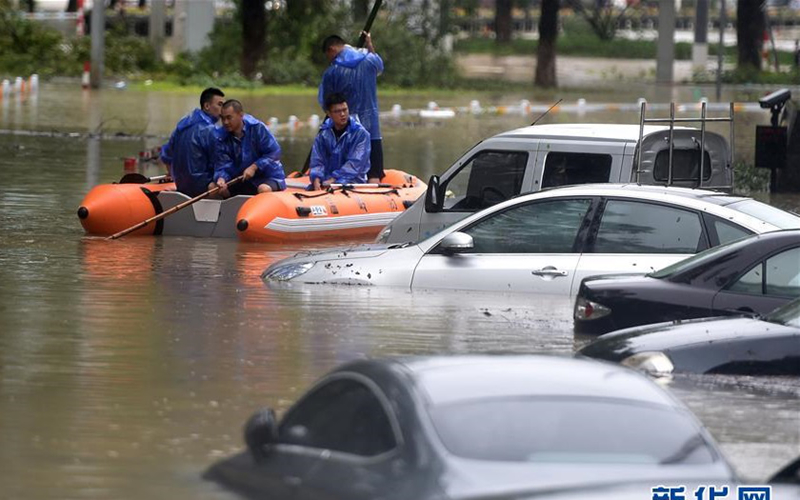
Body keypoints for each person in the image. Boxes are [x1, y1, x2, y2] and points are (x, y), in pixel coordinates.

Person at [318, 32, 384, 183]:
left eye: (328, 55)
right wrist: (369, 45)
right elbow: (379, 67)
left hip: (345, 130)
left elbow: (326, 101)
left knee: (342, 168)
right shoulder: (369, 60)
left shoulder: (332, 72)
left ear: (331, 49)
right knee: (374, 172)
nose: (329, 59)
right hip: (371, 127)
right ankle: (373, 188)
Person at [213, 99, 286, 198]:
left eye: (229, 118)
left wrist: (254, 167)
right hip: (241, 179)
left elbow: (274, 152)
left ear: (241, 115)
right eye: (223, 118)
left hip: (267, 177)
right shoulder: (221, 136)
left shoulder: (258, 128)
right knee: (213, 188)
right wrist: (221, 179)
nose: (225, 122)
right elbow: (223, 164)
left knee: (263, 189)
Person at [160, 87, 224, 197]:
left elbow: (166, 155)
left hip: (181, 185)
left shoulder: (182, 124)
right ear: (207, 106)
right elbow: (220, 162)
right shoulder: (212, 130)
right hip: (203, 185)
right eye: (220, 104)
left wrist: (172, 174)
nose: (223, 109)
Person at [309, 93, 371, 190]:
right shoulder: (323, 134)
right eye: (337, 111)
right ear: (329, 114)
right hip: (327, 182)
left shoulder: (361, 134)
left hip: (353, 182)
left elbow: (355, 163)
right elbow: (317, 160)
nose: (342, 114)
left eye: (345, 110)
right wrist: (316, 179)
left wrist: (335, 179)